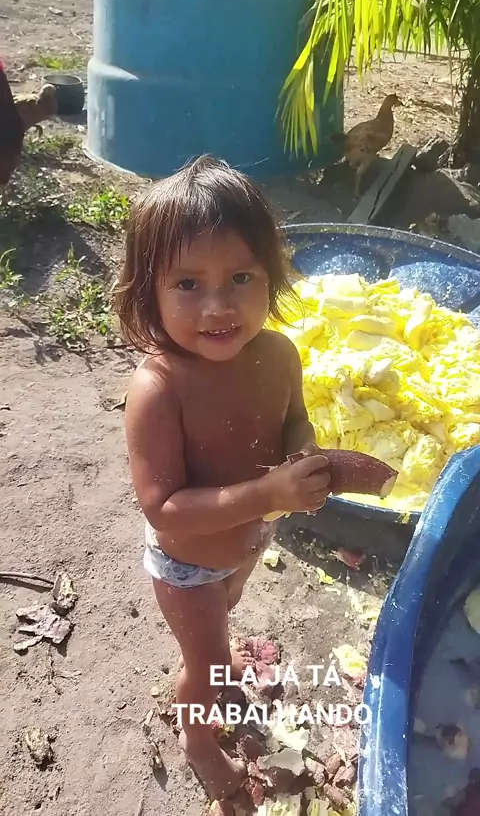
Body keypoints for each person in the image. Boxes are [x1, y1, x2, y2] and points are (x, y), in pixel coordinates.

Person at [116, 154, 331, 803]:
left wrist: (303, 452)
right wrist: (268, 494)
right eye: (188, 283)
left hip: (246, 541)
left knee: (226, 611)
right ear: (148, 291)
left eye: (241, 277)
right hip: (187, 564)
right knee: (204, 664)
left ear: (272, 275)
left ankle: (215, 649)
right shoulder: (158, 389)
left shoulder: (280, 354)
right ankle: (197, 739)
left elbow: (295, 420)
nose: (218, 306)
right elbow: (163, 507)